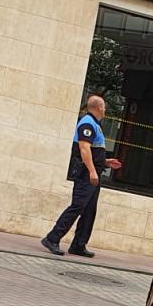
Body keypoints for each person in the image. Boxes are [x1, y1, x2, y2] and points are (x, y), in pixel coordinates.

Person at [41, 94, 120, 257]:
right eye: (104, 107)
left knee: (89, 210)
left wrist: (104, 162)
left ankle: (78, 244)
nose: (105, 110)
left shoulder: (95, 124)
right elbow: (84, 149)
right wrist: (91, 170)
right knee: (77, 206)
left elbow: (93, 151)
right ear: (99, 107)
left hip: (92, 173)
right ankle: (52, 238)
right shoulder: (87, 123)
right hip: (86, 174)